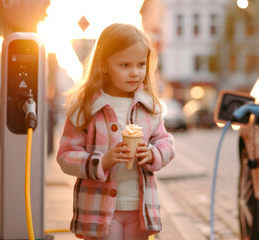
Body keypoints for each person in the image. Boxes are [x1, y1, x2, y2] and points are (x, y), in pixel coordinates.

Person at [56, 23, 175, 240]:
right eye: (124, 65)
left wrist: (152, 153)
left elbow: (166, 144)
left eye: (141, 64)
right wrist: (102, 162)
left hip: (140, 208)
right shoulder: (84, 108)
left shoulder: (149, 107)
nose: (135, 72)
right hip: (99, 210)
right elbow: (66, 156)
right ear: (103, 65)